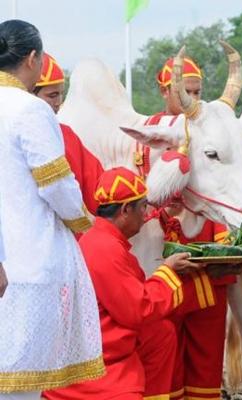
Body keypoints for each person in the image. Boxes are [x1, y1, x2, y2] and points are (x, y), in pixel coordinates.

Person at [0, 19, 104, 397]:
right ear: (32, 59)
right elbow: (56, 183)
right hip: (25, 262)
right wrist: (81, 219)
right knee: (19, 382)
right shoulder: (30, 109)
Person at [44, 167, 204, 399]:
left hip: (98, 347)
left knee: (161, 333)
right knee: (159, 331)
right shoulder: (105, 248)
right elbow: (138, 308)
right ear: (125, 210)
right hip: (102, 367)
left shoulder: (103, 241)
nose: (146, 215)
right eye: (142, 208)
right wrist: (168, 271)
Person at [146, 56, 234, 400]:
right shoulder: (149, 131)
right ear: (164, 90)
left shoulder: (212, 127)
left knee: (207, 361)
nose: (191, 99)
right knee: (165, 355)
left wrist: (226, 241)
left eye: (197, 92)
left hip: (207, 266)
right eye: (185, 92)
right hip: (162, 265)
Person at [34, 52, 104, 214]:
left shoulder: (66, 134)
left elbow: (97, 184)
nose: (59, 102)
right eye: (52, 95)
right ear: (30, 95)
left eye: (60, 94)